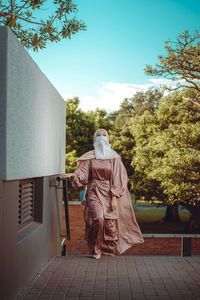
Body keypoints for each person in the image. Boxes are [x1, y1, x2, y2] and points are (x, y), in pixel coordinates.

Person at [67, 129, 144, 259]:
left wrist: (114, 197)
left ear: (108, 139)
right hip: (94, 191)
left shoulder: (114, 157)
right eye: (98, 135)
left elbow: (118, 177)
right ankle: (95, 249)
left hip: (109, 192)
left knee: (109, 222)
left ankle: (107, 248)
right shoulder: (90, 157)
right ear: (94, 139)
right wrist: (74, 176)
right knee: (98, 218)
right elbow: (82, 174)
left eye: (104, 135)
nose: (101, 137)